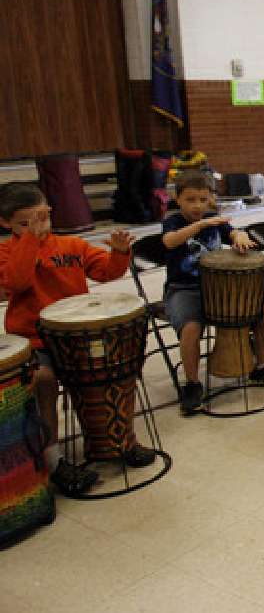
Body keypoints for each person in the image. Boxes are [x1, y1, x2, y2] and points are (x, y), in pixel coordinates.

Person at [0, 182, 146, 495]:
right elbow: (17, 281)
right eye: (24, 223)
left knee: (113, 371)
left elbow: (107, 272)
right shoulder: (6, 251)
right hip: (34, 340)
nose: (36, 227)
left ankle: (117, 442)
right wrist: (29, 240)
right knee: (44, 380)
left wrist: (119, 252)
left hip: (76, 336)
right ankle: (53, 459)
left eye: (40, 219)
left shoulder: (72, 246)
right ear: (5, 223)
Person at [161, 170, 264, 415]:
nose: (197, 205)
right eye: (190, 199)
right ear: (177, 199)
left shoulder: (215, 220)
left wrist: (239, 236)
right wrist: (200, 224)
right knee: (191, 327)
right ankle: (192, 384)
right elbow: (170, 241)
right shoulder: (173, 221)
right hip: (184, 289)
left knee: (261, 308)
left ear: (210, 198)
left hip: (218, 288)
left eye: (202, 199)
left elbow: (232, 233)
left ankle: (262, 366)